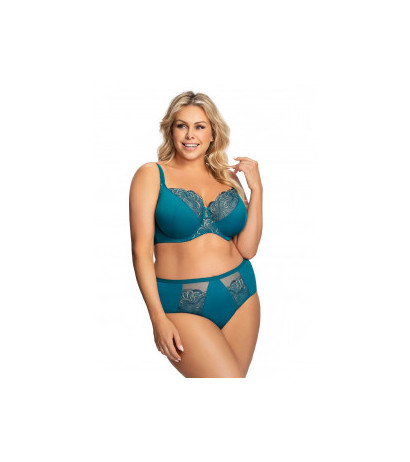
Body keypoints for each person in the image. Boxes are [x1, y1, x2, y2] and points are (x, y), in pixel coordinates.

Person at [129, 91, 263, 378]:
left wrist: (257, 190)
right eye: (182, 126)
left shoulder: (227, 177)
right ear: (171, 130)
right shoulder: (151, 175)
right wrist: (157, 318)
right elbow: (141, 252)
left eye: (200, 126)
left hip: (241, 293)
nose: (190, 135)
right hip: (181, 305)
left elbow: (247, 249)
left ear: (212, 133)